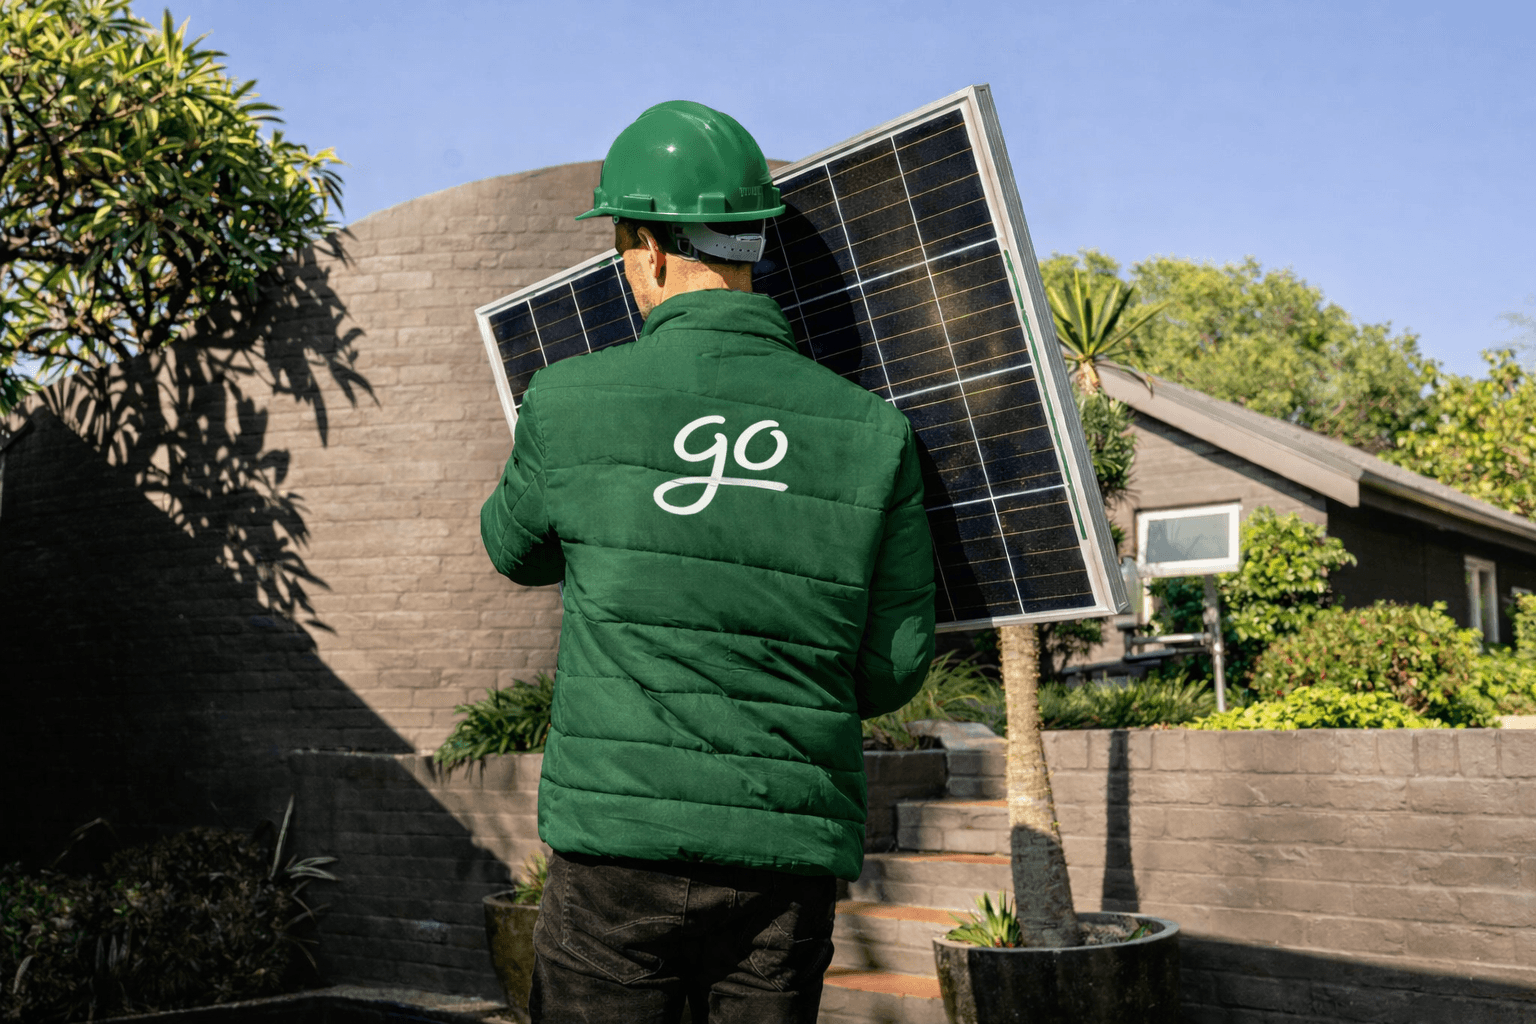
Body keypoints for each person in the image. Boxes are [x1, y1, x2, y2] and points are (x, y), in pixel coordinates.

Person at [480, 100, 936, 1024]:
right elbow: (891, 670)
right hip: (786, 853)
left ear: (647, 249)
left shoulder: (568, 399)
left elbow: (511, 550)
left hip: (618, 849)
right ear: (750, 244)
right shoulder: (874, 433)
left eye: (618, 245)